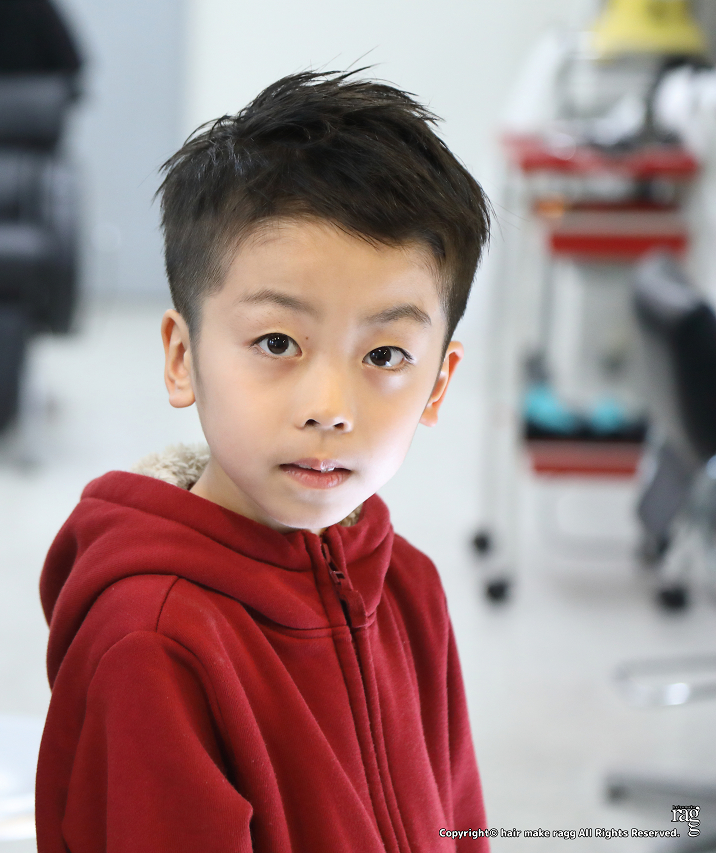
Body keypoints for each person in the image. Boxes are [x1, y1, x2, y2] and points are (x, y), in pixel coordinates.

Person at [37, 71, 492, 852]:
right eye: (278, 342)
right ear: (183, 357)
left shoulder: (410, 589)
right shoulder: (154, 644)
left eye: (385, 354)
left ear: (437, 384)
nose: (329, 406)